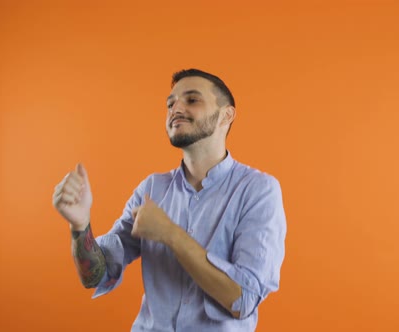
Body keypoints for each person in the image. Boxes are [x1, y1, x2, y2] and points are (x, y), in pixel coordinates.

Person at [52, 69, 287, 331]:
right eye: (170, 103)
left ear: (226, 115)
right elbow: (96, 275)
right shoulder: (151, 188)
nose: (176, 108)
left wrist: (171, 235)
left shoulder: (258, 190)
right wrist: (80, 225)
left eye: (192, 100)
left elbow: (243, 300)